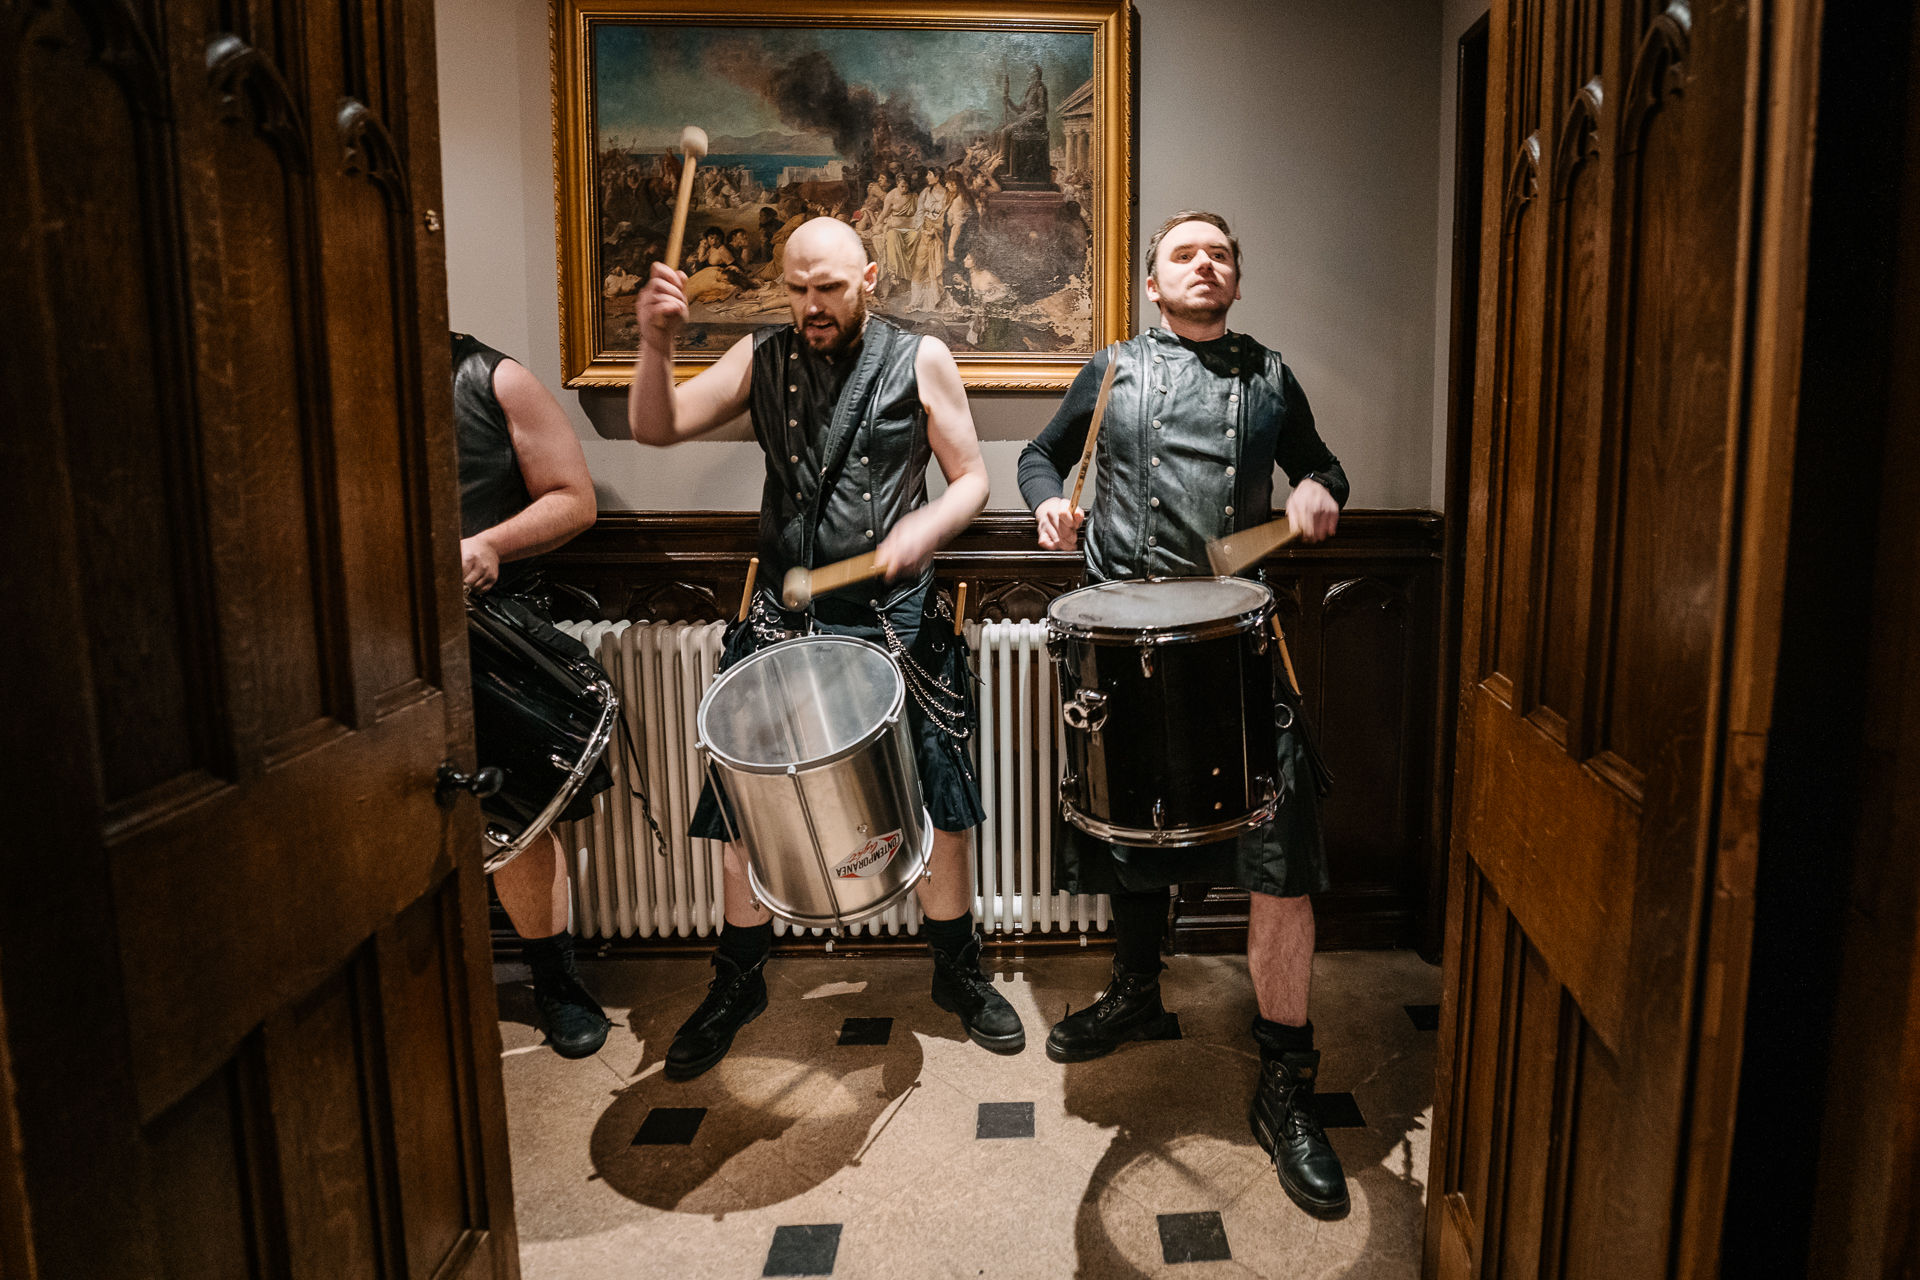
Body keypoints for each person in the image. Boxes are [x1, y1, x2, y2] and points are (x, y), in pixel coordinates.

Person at [1015, 211, 1352, 1220]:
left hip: (1243, 641)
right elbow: (1039, 458)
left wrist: (1318, 499)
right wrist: (1049, 505)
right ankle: (1133, 988)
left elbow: (1325, 469)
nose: (1206, 264)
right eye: (1184, 254)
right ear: (1152, 284)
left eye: (1223, 254)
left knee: (1280, 853)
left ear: (1235, 282)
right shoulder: (1110, 371)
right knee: (1129, 830)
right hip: (1122, 639)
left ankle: (1286, 1075)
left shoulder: (1273, 378)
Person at [627, 217, 1020, 1079]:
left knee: (940, 804)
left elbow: (974, 479)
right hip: (785, 621)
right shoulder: (760, 360)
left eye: (830, 288)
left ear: (869, 278)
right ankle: (739, 979)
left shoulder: (921, 357)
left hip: (895, 620)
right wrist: (654, 347)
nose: (812, 305)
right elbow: (659, 427)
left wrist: (928, 524)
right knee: (741, 810)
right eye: (798, 287)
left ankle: (957, 970)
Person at [451, 333, 609, 1059]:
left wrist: (489, 545)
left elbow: (574, 500)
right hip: (362, 645)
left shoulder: (495, 378)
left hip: (489, 637)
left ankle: (557, 984)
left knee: (512, 819)